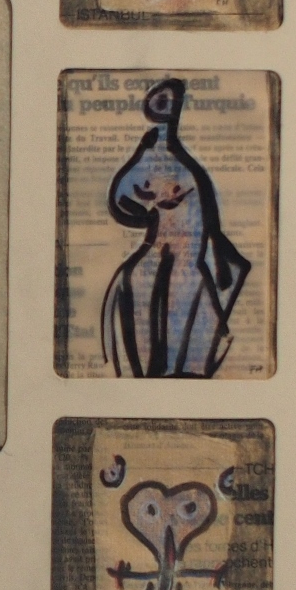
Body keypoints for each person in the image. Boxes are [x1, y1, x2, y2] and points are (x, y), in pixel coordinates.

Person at [99, 78, 250, 377]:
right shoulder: (153, 152)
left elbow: (124, 198)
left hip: (186, 270)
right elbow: (120, 198)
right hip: (166, 268)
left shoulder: (185, 170)